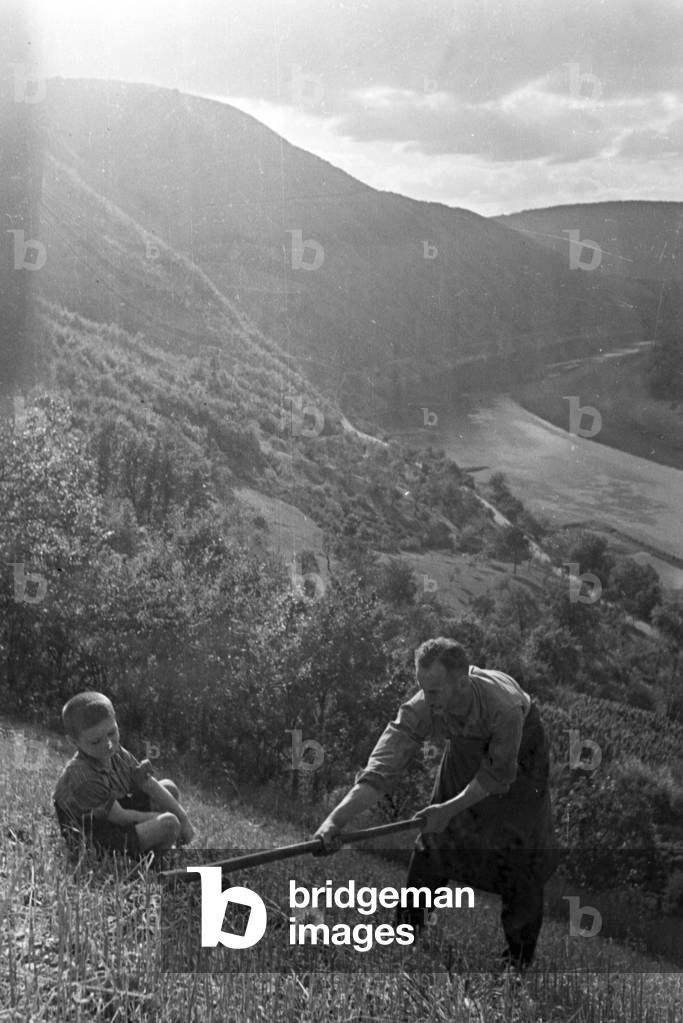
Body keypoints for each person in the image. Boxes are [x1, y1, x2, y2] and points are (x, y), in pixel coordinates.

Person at [313, 638, 559, 972]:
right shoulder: (425, 706)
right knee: (435, 836)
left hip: (521, 756)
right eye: (423, 689)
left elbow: (498, 776)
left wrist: (449, 809)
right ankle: (407, 929)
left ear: (462, 683)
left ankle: (516, 963)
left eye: (435, 692)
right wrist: (334, 822)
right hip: (465, 747)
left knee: (523, 852)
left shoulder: (504, 708)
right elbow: (381, 770)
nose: (427, 700)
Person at [53, 691, 194, 861]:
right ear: (74, 741)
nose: (108, 744)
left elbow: (147, 783)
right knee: (169, 823)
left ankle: (159, 845)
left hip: (113, 816)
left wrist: (183, 818)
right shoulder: (82, 776)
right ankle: (154, 862)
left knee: (168, 788)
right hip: (94, 837)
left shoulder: (116, 753)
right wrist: (170, 821)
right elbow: (122, 817)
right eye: (96, 741)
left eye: (112, 733)